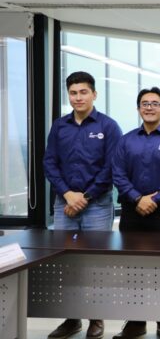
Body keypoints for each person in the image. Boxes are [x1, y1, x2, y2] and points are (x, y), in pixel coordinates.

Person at [43, 71, 122, 339]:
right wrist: (67, 194)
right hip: (64, 204)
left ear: (94, 94)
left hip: (97, 205)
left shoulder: (108, 127)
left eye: (83, 92)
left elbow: (112, 167)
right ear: (69, 95)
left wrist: (83, 197)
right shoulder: (59, 126)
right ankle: (72, 318)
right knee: (67, 262)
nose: (78, 97)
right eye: (73, 93)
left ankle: (96, 318)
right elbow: (49, 163)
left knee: (95, 264)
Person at [111, 87, 160, 339]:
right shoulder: (126, 140)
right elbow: (118, 174)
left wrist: (153, 199)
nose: (149, 107)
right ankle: (135, 322)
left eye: (155, 103)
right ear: (138, 109)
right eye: (144, 103)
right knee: (133, 268)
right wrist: (136, 198)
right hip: (132, 212)